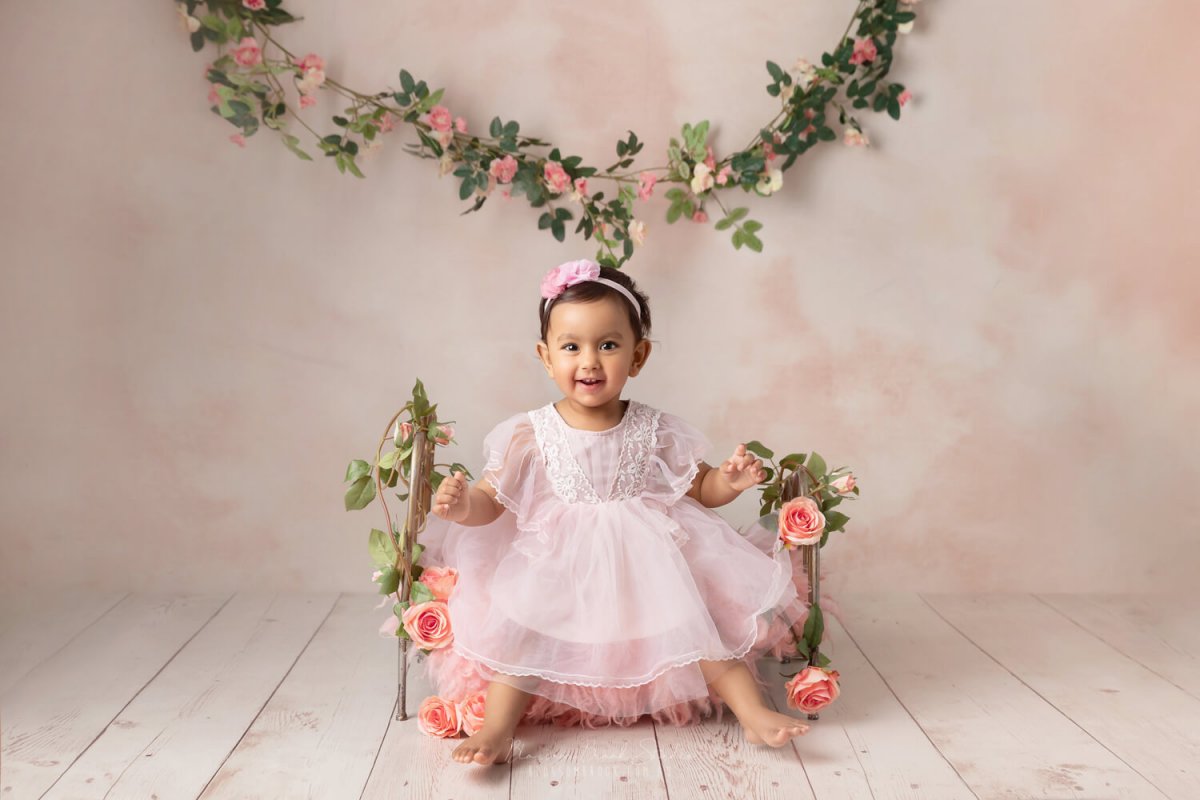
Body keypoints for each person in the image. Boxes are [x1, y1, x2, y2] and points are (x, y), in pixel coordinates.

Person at [418, 258, 814, 766]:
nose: (590, 362)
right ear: (545, 357)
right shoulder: (530, 432)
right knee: (525, 637)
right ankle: (496, 730)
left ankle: (753, 713)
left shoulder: (655, 428)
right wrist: (462, 506)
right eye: (571, 347)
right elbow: (491, 501)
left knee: (700, 630)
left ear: (638, 355)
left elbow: (699, 486)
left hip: (647, 556)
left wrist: (728, 482)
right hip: (558, 558)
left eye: (608, 345)